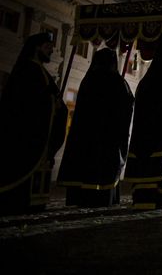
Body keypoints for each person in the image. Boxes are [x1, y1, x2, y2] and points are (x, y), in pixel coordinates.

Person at [57, 48, 134, 207]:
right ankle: (100, 198)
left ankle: (80, 197)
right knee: (102, 166)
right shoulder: (117, 81)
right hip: (106, 137)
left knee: (84, 166)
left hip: (84, 136)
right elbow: (126, 106)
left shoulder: (88, 80)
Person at [0, 32, 68, 215]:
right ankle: (18, 201)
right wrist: (51, 103)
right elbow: (26, 102)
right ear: (36, 48)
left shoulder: (40, 71)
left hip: (40, 135)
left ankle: (33, 202)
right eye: (48, 47)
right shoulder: (28, 70)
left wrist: (56, 104)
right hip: (25, 133)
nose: (51, 51)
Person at [123, 40, 162, 210]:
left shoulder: (145, 82)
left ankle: (141, 198)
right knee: (160, 167)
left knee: (145, 167)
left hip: (142, 137)